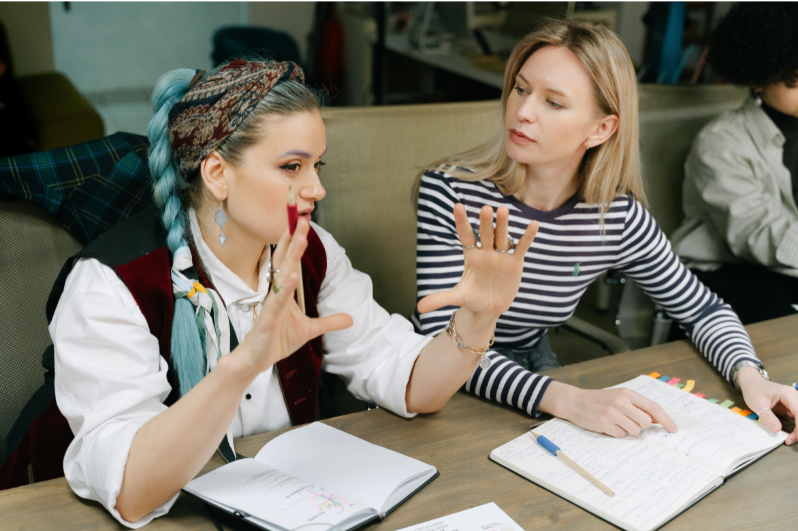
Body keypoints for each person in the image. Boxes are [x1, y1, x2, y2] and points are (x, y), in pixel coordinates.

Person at [45, 59, 538, 526]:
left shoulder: (313, 252)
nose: (317, 189)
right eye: (291, 167)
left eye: (318, 165)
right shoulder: (110, 285)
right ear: (218, 174)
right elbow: (131, 492)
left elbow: (414, 385)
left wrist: (480, 318)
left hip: (288, 507)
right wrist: (246, 361)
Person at [412, 19, 798, 448]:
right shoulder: (450, 191)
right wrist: (569, 401)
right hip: (441, 383)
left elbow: (702, 310)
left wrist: (750, 375)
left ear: (601, 129)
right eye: (521, 89)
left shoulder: (615, 216)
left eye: (554, 103)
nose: (523, 111)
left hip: (538, 374)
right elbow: (440, 339)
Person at [671, 3, 798, 325]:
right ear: (758, 77)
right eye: (795, 81)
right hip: (727, 276)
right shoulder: (721, 143)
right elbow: (761, 235)